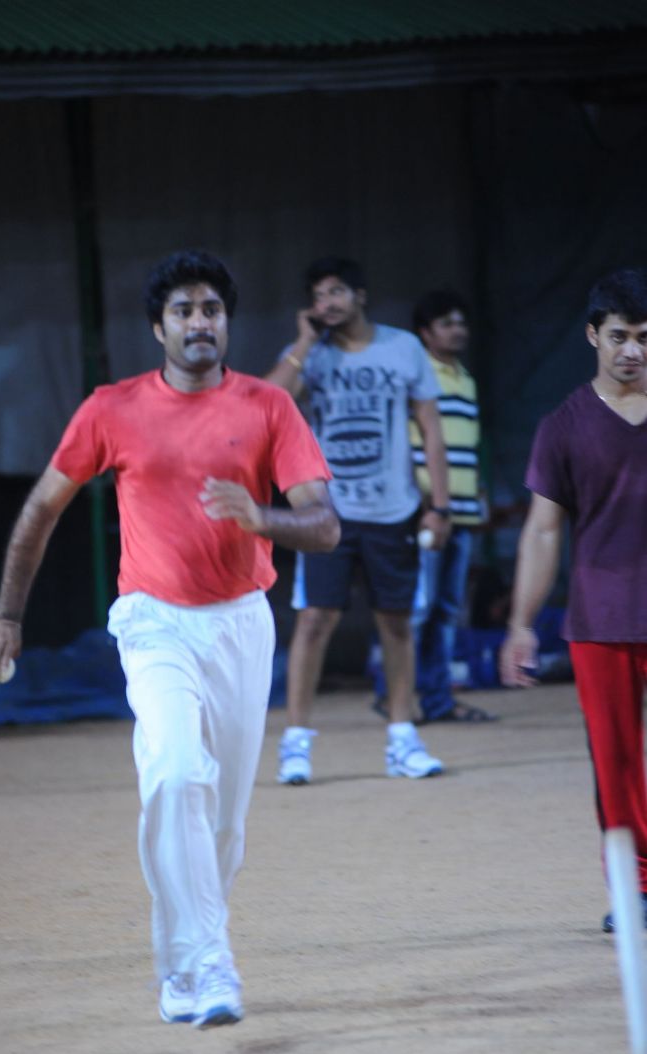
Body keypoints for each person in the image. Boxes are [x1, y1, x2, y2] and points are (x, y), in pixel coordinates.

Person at [0, 250, 339, 1027]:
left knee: (224, 826)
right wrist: (9, 612)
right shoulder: (112, 409)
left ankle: (181, 965)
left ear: (226, 322)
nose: (199, 321)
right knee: (176, 773)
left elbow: (324, 524)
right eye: (183, 310)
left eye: (211, 309)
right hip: (153, 620)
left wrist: (261, 516)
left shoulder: (269, 407)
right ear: (158, 328)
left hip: (242, 622)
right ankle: (209, 963)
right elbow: (42, 509)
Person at [499, 266, 647, 932]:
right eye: (619, 336)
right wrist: (520, 624)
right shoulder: (563, 426)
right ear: (593, 335)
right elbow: (541, 531)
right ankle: (635, 886)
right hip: (601, 620)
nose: (632, 350)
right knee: (616, 764)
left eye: (644, 337)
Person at [265, 256, 451, 785]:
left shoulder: (403, 348)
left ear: (360, 295)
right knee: (314, 621)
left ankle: (402, 738)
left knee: (396, 623)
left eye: (336, 292)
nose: (327, 303)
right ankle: (296, 743)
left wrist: (440, 506)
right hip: (328, 515)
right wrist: (304, 343)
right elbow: (266, 403)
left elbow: (430, 429)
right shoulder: (309, 354)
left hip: (394, 510)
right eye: (318, 296)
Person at [408, 289, 496, 723]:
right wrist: (424, 501)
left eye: (461, 322)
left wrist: (478, 492)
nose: (458, 330)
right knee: (417, 609)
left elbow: (469, 444)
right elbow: (407, 442)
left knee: (446, 611)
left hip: (461, 513)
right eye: (447, 323)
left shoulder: (466, 379)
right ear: (425, 333)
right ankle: (399, 698)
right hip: (427, 512)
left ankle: (438, 700)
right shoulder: (417, 375)